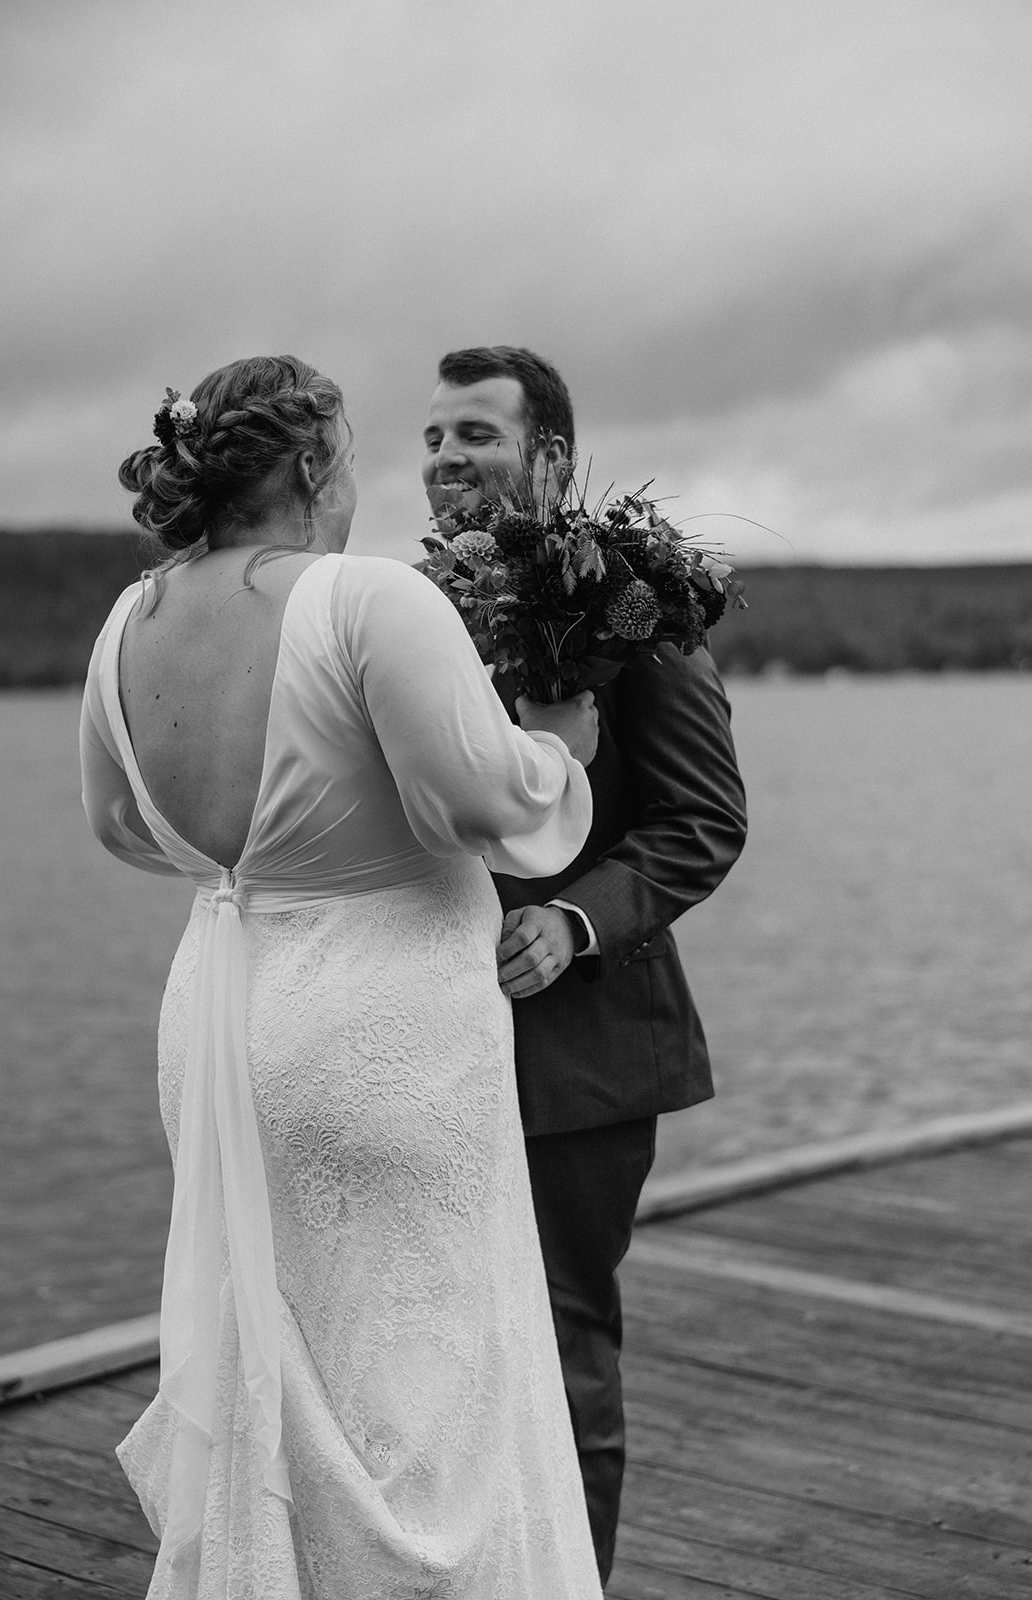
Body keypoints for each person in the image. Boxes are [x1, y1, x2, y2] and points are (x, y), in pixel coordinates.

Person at [80, 354, 607, 1599]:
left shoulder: (128, 618)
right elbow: (480, 796)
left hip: (217, 1016)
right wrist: (555, 748)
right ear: (315, 464)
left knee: (279, 1350)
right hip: (381, 1031)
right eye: (361, 452)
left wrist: (259, 867)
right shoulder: (366, 598)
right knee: (426, 1394)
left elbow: (115, 825)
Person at [422, 345, 748, 1584]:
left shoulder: (628, 607)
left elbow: (702, 820)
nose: (447, 459)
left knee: (562, 1355)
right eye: (435, 437)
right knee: (443, 1354)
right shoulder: (414, 605)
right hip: (429, 1044)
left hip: (582, 1061)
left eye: (477, 436)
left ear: (549, 459)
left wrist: (570, 921)